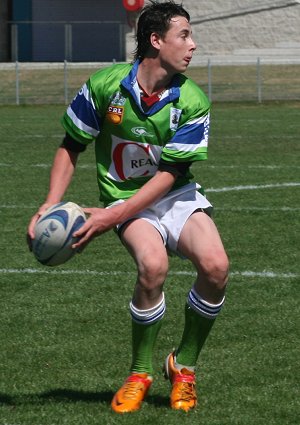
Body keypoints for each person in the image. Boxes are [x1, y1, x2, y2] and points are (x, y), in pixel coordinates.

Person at [28, 0, 229, 414]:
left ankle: (184, 366)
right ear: (156, 41)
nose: (193, 45)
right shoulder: (104, 86)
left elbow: (171, 174)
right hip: (124, 198)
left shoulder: (192, 100)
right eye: (184, 35)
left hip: (172, 194)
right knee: (152, 267)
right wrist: (50, 205)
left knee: (216, 267)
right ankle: (140, 372)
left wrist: (110, 218)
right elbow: (71, 146)